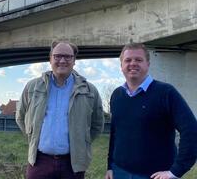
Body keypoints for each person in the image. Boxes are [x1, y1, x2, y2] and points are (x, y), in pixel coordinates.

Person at [105, 43, 197, 179]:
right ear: (121, 66)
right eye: (128, 60)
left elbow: (191, 129)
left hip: (154, 175)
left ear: (148, 64)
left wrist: (176, 171)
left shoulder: (166, 92)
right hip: (119, 172)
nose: (133, 63)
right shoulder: (117, 95)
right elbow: (115, 134)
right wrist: (110, 166)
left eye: (138, 60)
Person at [16, 40, 104, 179]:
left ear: (74, 60)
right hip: (39, 162)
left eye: (68, 56)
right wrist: (33, 137)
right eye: (57, 56)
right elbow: (20, 116)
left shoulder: (89, 90)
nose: (62, 60)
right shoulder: (32, 87)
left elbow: (97, 124)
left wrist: (80, 142)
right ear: (50, 59)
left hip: (72, 164)